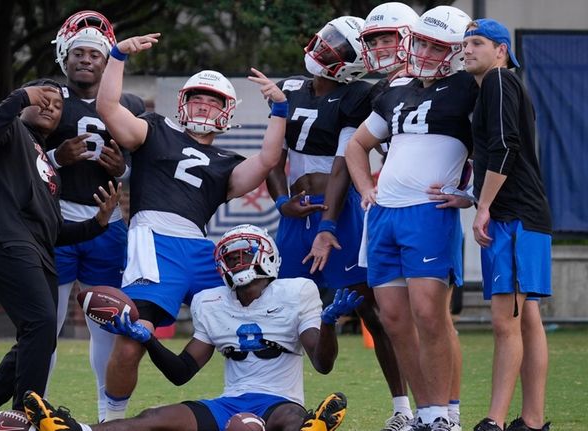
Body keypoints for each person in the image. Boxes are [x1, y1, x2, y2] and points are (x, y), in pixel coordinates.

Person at [95, 33, 287, 420]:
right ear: (182, 103)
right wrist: (117, 56)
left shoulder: (226, 161)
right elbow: (108, 106)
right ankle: (111, 419)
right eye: (197, 98)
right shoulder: (154, 129)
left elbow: (268, 159)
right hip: (155, 241)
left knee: (254, 313)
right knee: (131, 339)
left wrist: (280, 107)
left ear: (227, 112)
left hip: (201, 249)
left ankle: (261, 402)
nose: (203, 105)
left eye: (212, 100)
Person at [23, 224, 361, 431]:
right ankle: (78, 429)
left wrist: (328, 324)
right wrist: (149, 339)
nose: (238, 263)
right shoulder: (210, 301)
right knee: (152, 418)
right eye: (231, 258)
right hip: (229, 404)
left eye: (244, 255)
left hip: (279, 402)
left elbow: (321, 362)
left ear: (268, 257)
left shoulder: (296, 291)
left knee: (290, 418)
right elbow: (182, 372)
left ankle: (309, 427)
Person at [264, 15, 408, 431]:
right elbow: (274, 152)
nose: (325, 48)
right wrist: (279, 201)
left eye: (339, 48)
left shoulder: (357, 95)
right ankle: (274, 399)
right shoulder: (291, 86)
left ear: (354, 64)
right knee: (278, 306)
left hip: (339, 212)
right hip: (297, 212)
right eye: (328, 39)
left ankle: (402, 407)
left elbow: (345, 163)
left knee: (372, 309)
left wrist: (329, 225)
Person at [0, 79, 121, 431]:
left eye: (57, 105)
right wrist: (18, 98)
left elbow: (55, 230)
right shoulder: (9, 129)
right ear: (25, 101)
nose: (50, 106)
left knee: (39, 334)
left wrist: (98, 223)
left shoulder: (46, 163)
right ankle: (28, 416)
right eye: (42, 99)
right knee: (42, 324)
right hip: (5, 241)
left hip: (37, 250)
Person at [345, 6, 474, 431]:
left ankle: (444, 414)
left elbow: (493, 146)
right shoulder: (394, 90)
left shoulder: (470, 88)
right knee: (395, 319)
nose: (425, 52)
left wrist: (470, 194)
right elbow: (355, 147)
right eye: (421, 42)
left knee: (429, 314)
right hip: (383, 215)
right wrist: (366, 188)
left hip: (428, 212)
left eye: (437, 46)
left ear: (457, 52)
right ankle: (426, 413)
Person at [46, 11, 146, 422]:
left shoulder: (129, 103)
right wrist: (56, 156)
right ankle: (35, 404)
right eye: (79, 53)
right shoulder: (46, 96)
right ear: (64, 57)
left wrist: (119, 169)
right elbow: (21, 158)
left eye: (95, 54)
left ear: (108, 62)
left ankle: (109, 415)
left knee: (106, 319)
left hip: (107, 224)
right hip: (57, 223)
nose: (86, 60)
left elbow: (143, 166)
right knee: (43, 324)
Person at [463, 19, 552, 431]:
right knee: (526, 317)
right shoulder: (498, 87)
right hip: (523, 213)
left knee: (505, 320)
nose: (467, 49)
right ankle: (531, 422)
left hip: (512, 216)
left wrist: (483, 208)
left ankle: (494, 422)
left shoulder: (499, 80)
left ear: (501, 50)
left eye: (477, 42)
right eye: (464, 43)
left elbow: (505, 146)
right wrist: (469, 197)